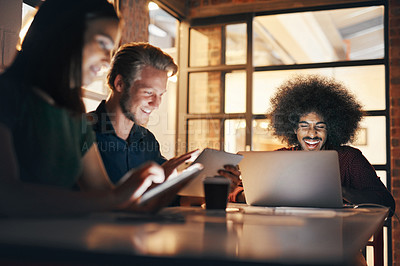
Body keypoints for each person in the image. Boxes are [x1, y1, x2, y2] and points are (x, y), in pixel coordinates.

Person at [0, 0, 167, 217]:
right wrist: (117, 197)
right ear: (64, 34)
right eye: (102, 44)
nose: (108, 60)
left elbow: (104, 192)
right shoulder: (8, 95)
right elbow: (7, 196)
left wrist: (159, 186)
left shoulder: (74, 116)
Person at [227, 75, 395, 215]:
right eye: (304, 126)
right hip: (286, 238)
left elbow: (386, 202)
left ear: (332, 128)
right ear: (294, 129)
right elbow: (236, 193)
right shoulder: (279, 158)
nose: (312, 134)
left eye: (320, 126)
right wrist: (259, 195)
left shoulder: (348, 158)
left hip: (336, 240)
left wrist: (339, 191)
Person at [89, 42, 196, 186]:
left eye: (160, 94)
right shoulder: (78, 132)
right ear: (120, 83)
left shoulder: (148, 140)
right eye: (148, 92)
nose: (156, 104)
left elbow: (173, 196)